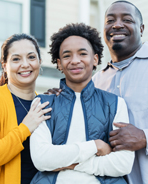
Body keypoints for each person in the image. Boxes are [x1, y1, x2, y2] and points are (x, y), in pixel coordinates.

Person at [47, 1, 148, 184]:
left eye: (127, 19)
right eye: (110, 20)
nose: (117, 24)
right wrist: (64, 99)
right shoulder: (96, 83)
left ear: (141, 29)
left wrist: (146, 137)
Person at [29, 23, 134, 184]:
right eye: (67, 56)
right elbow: (41, 159)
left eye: (82, 53)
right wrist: (95, 146)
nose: (75, 61)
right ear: (59, 63)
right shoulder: (42, 103)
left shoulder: (115, 104)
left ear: (95, 59)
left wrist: (70, 164)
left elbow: (123, 164)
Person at [0, 33, 52, 184]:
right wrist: (24, 129)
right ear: (4, 65)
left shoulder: (44, 105)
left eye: (31, 57)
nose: (25, 64)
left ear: (40, 62)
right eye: (16, 59)